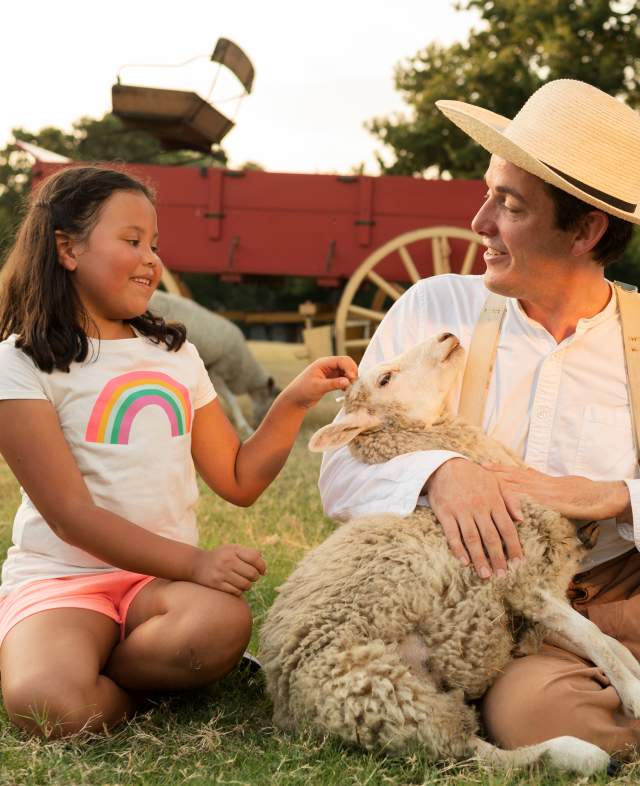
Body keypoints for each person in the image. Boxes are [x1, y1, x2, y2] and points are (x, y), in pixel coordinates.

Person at [319, 79, 640, 756]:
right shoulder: (435, 310)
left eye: (510, 205)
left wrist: (614, 497)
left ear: (585, 231)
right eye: (488, 190)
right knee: (544, 722)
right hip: (500, 605)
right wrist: (440, 472)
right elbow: (340, 472)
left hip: (622, 585)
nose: (479, 222)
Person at [0, 165, 358, 738]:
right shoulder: (20, 363)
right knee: (47, 703)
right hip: (63, 580)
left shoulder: (174, 357)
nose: (151, 259)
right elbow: (71, 516)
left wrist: (291, 401)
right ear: (68, 248)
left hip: (156, 589)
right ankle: (125, 683)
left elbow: (239, 481)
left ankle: (112, 675)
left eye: (155, 244)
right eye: (132, 240)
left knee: (220, 622)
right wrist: (196, 564)